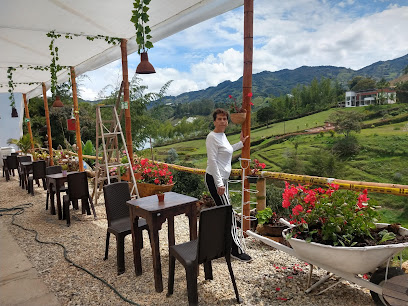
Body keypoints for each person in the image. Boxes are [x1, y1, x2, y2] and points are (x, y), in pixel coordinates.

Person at [205, 108, 252, 262]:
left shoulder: (222, 136)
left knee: (224, 212)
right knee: (229, 214)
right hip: (215, 180)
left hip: (222, 180)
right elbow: (212, 161)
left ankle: (219, 244)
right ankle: (235, 250)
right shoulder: (211, 137)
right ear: (214, 122)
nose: (223, 121)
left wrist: (241, 143)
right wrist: (219, 183)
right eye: (219, 119)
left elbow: (228, 150)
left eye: (225, 119)